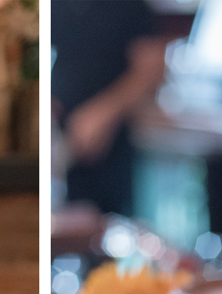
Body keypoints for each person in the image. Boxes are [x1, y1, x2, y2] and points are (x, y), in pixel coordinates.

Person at [52, 0, 168, 221]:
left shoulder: (129, 6)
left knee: (108, 232)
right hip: (63, 142)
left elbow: (151, 70)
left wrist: (102, 115)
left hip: (111, 145)